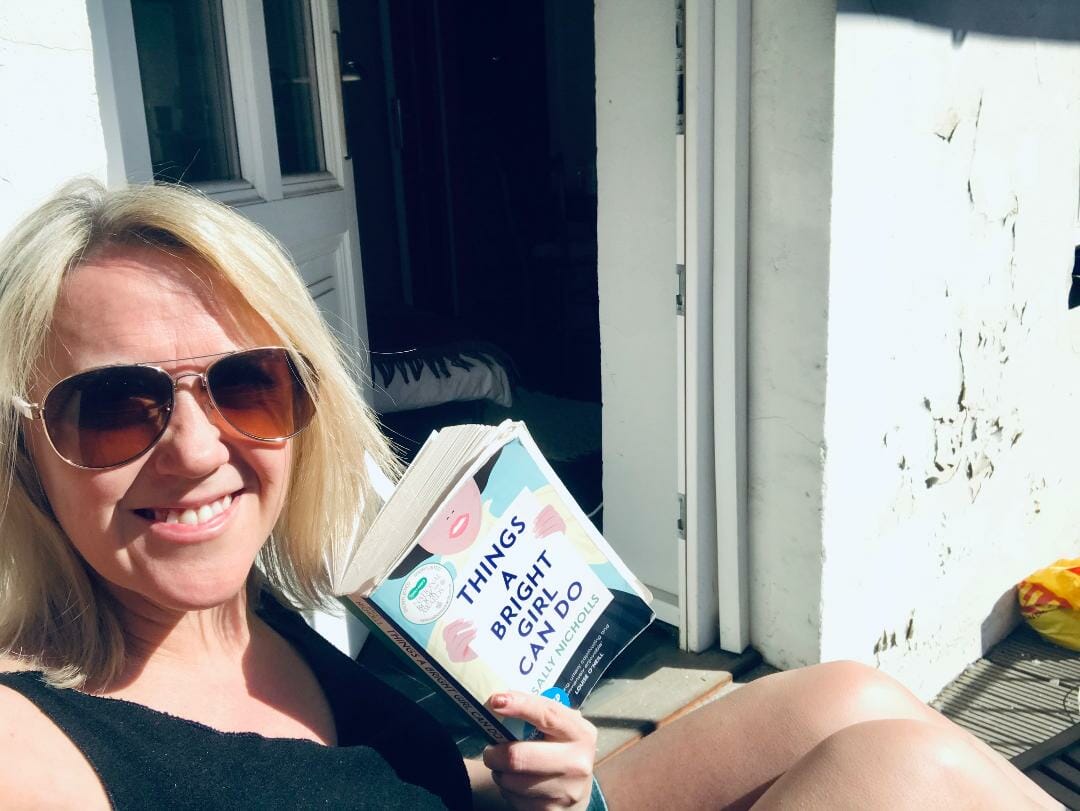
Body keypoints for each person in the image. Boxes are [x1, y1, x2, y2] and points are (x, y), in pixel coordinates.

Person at [0, 179, 1059, 810]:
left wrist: (523, 779)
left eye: (246, 385)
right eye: (113, 409)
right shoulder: (34, 743)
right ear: (22, 450)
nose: (197, 452)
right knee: (906, 769)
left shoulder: (238, 604)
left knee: (848, 698)